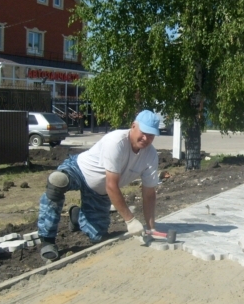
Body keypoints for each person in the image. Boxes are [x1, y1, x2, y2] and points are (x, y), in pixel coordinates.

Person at [37, 110, 160, 261]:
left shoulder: (151, 156)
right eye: (144, 132)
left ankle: (75, 216)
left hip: (99, 193)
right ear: (133, 126)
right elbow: (111, 185)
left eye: (151, 135)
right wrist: (130, 220)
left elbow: (149, 194)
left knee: (98, 237)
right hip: (79, 171)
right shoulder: (116, 142)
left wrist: (150, 227)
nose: (146, 138)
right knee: (57, 182)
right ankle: (47, 240)